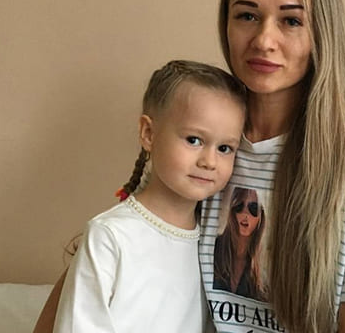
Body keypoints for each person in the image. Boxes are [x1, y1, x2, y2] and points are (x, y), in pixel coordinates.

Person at [34, 0, 345, 333]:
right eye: (247, 16)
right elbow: (123, 237)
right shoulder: (205, 144)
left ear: (322, 33)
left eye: (291, 21)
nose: (264, 40)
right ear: (226, 24)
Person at [51, 60, 246, 333]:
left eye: (224, 148)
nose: (209, 161)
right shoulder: (109, 236)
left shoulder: (213, 244)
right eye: (194, 140)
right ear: (149, 134)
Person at [213, 187, 266, 301]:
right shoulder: (213, 248)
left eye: (253, 208)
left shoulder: (265, 264)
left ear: (261, 215)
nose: (245, 213)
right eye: (239, 206)